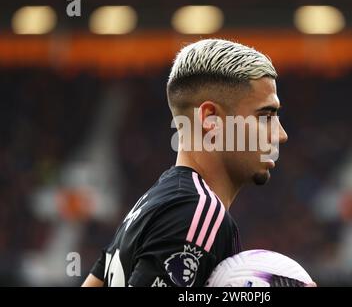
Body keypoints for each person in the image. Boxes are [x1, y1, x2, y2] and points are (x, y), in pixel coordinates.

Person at [82, 39, 288, 287]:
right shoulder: (196, 212)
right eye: (265, 116)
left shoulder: (150, 205)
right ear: (211, 119)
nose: (280, 134)